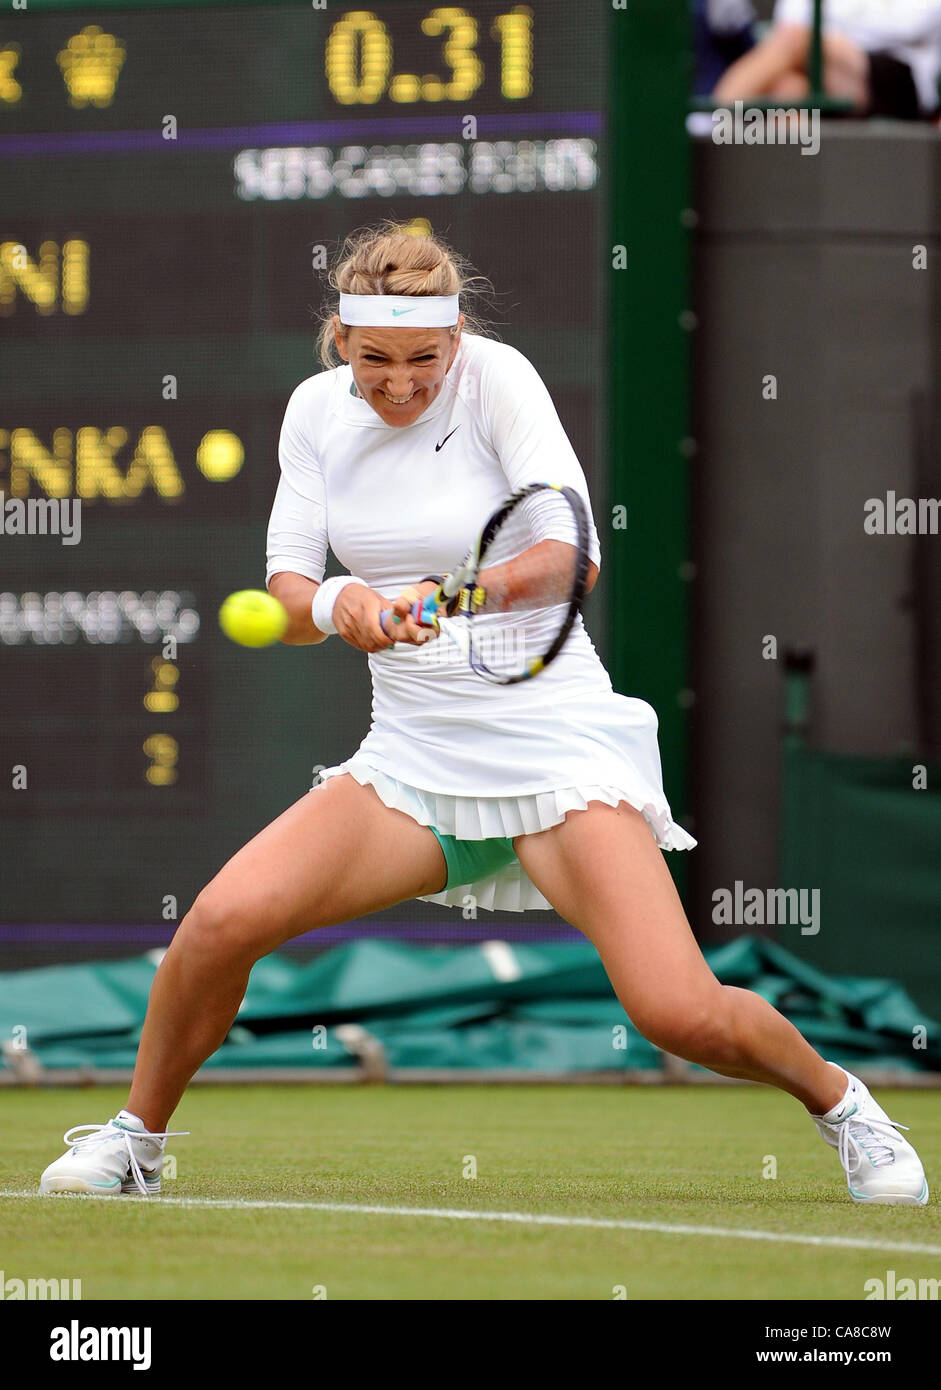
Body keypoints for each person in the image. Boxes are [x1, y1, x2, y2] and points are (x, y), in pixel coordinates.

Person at [39, 225, 928, 1206]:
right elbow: (286, 593)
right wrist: (351, 608)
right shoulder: (312, 415)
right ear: (339, 337)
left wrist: (450, 593)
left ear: (456, 335)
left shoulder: (498, 379)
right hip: (412, 762)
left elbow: (569, 555)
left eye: (424, 358)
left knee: (678, 1013)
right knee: (217, 923)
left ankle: (845, 1103)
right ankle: (135, 1141)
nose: (402, 382)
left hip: (552, 747)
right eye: (375, 358)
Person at [715, 0, 941, 118]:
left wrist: (833, 34)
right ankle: (794, 197)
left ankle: (712, 120)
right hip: (822, 66)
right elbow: (789, 20)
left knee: (796, 42)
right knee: (788, 92)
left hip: (903, 75)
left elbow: (909, 23)